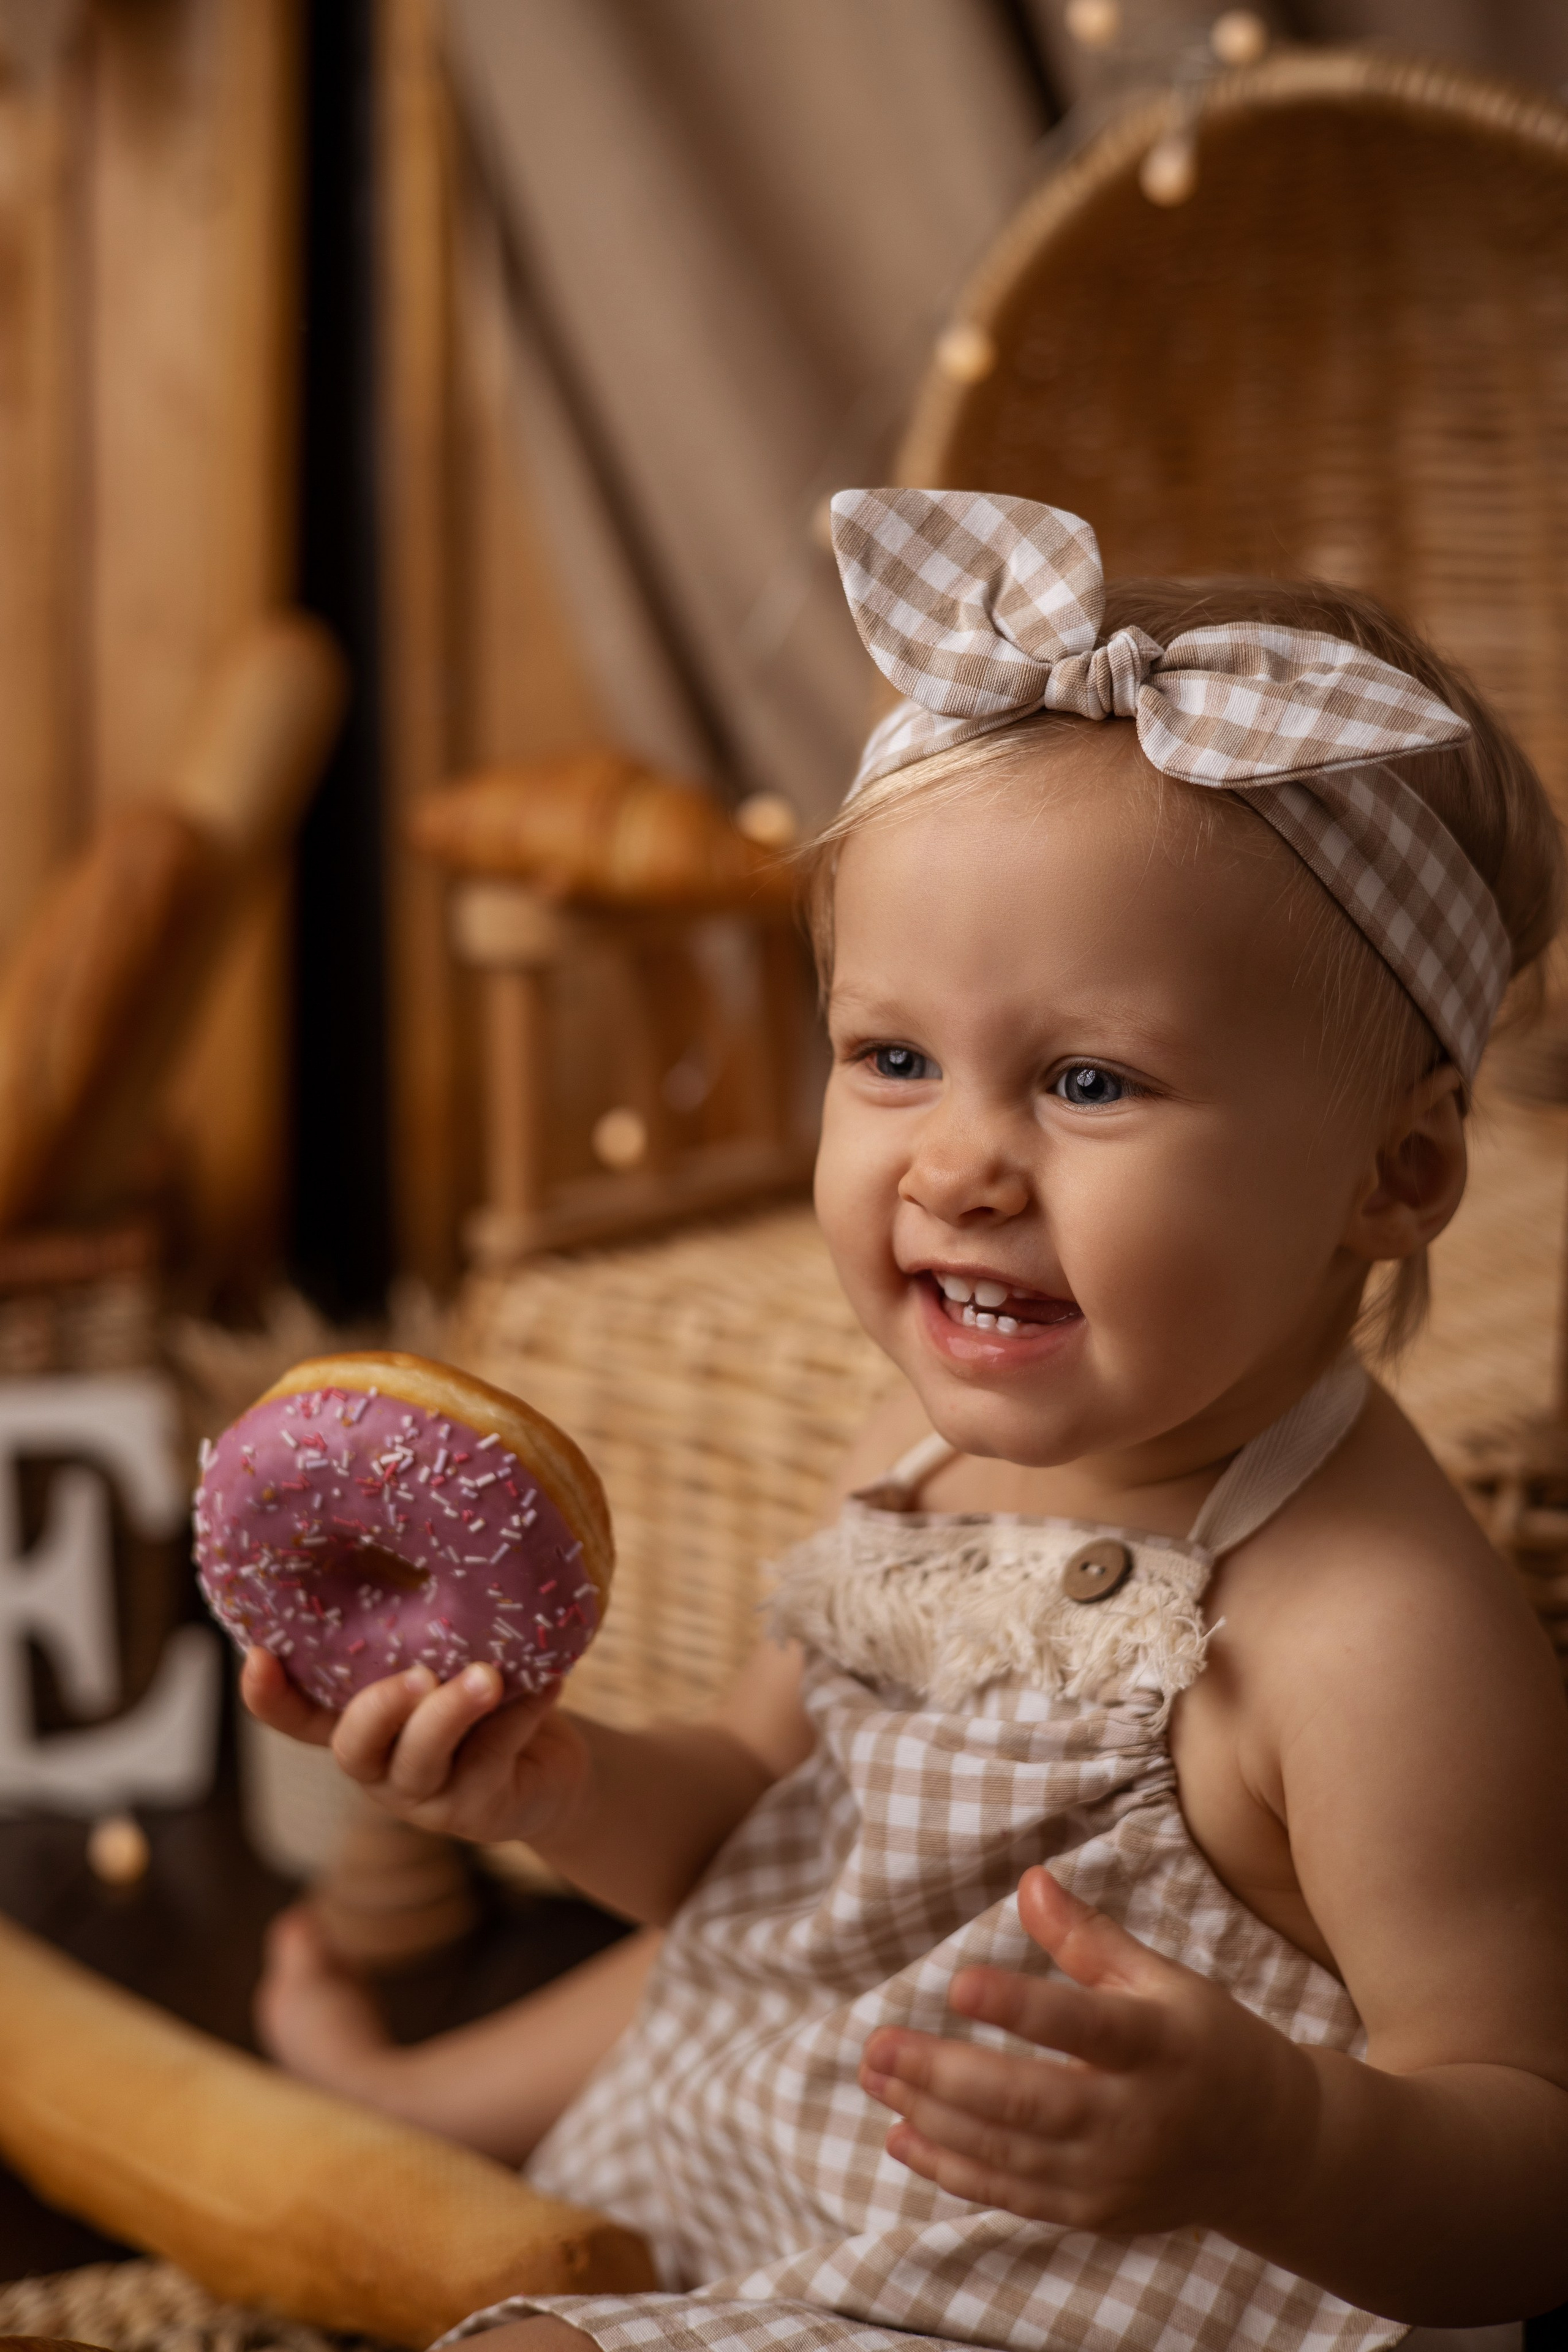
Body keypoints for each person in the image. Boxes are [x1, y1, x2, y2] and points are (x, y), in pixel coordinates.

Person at [247, 489, 1568, 2352]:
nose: (954, 1164)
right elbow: (755, 1843)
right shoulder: (923, 1455)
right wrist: (566, 1790)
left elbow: (1529, 2174)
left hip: (1074, 2303)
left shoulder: (1371, 1633)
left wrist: (1275, 2134)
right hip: (774, 2194)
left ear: (1399, 1172)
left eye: (1089, 1081)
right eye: (890, 1058)